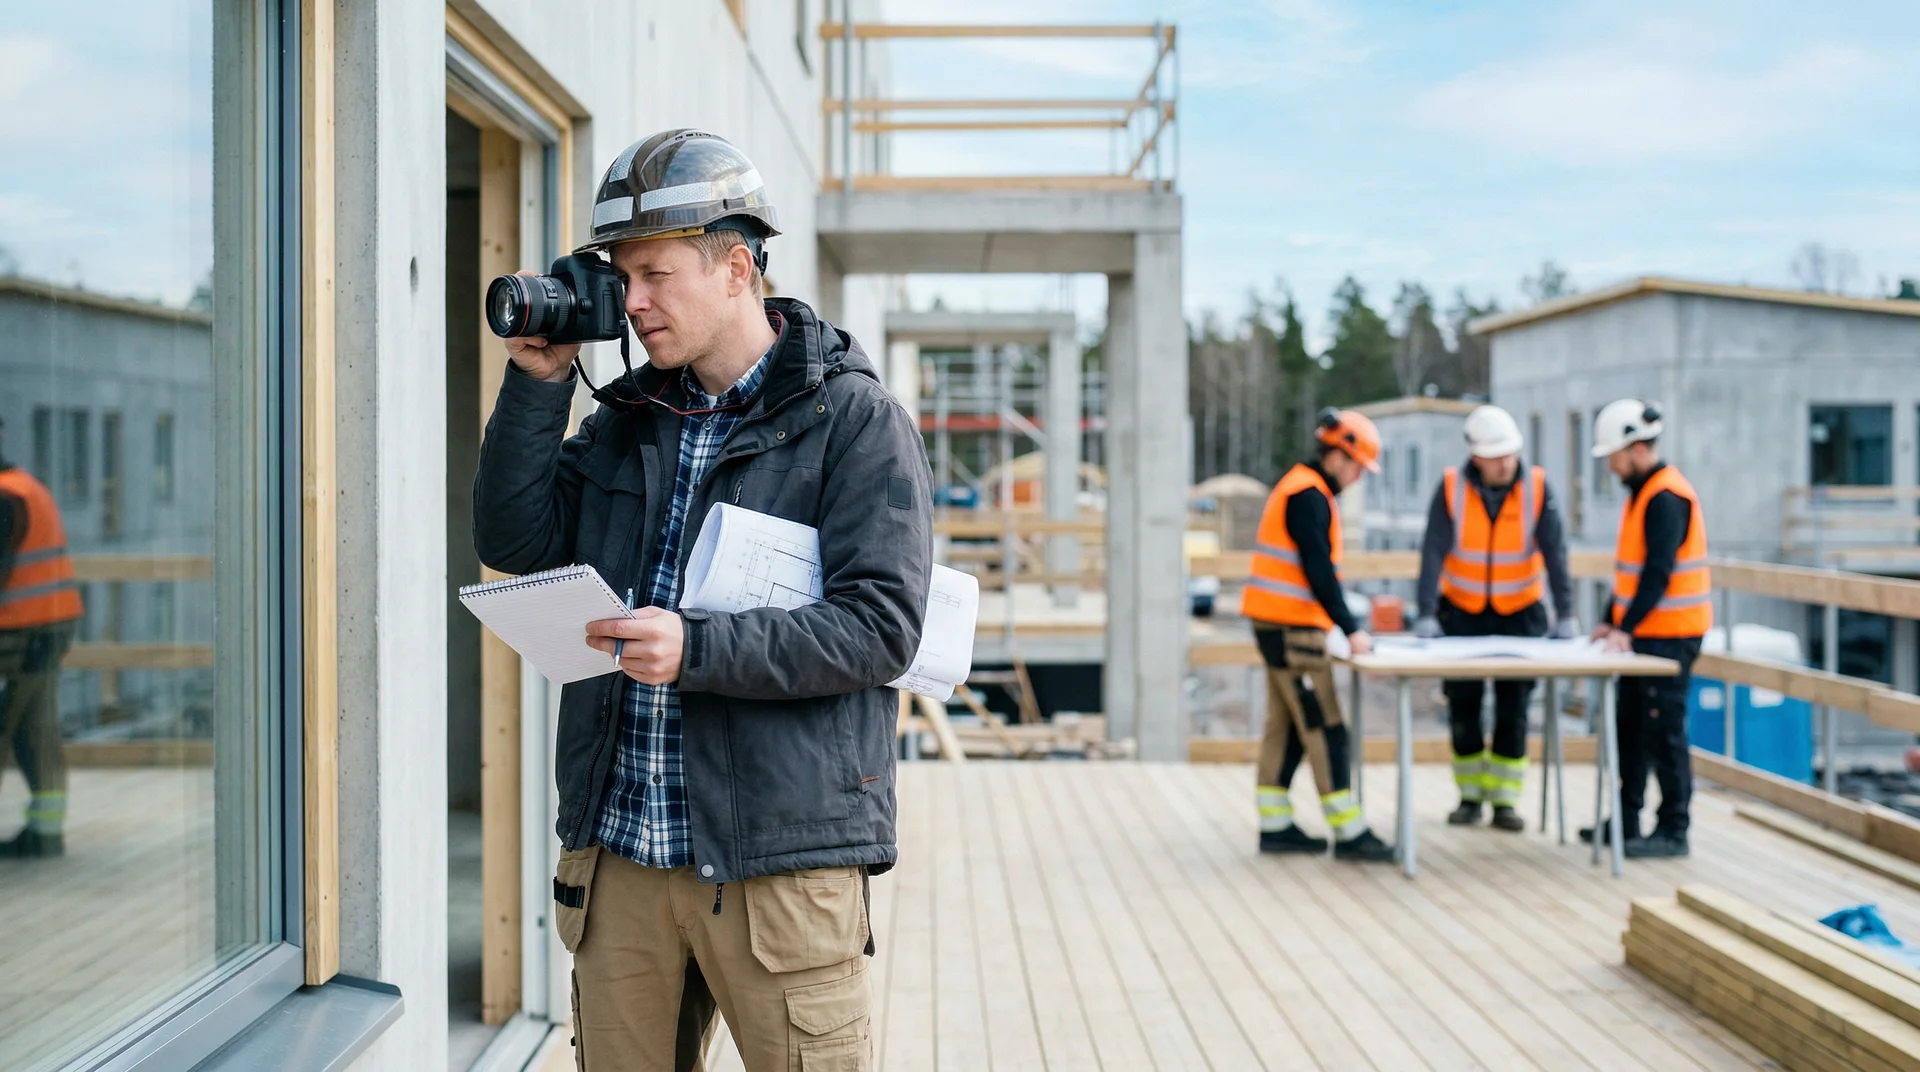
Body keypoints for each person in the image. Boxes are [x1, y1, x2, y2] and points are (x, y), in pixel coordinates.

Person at [473, 130, 932, 1071]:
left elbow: (881, 627)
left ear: (736, 268)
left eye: (654, 275)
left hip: (778, 866)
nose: (632, 304)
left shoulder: (853, 420)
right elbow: (513, 539)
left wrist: (698, 649)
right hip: (623, 853)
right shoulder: (631, 415)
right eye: (621, 278)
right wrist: (538, 382)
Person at [1413, 405, 1576, 832]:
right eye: (1497, 456)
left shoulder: (1537, 487)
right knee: (1464, 706)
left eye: (1511, 454)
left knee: (1514, 707)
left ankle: (1504, 801)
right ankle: (1469, 797)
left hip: (1520, 612)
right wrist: (1427, 613)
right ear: (1476, 457)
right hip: (1461, 612)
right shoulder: (1451, 488)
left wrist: (1567, 614)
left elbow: (1556, 555)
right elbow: (1432, 552)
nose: (1506, 463)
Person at [1242, 408, 1395, 863]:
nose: (1357, 478)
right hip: (1293, 630)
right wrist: (1351, 628)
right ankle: (1350, 833)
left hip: (1276, 625)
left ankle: (1276, 826)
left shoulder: (1297, 487)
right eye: (1357, 468)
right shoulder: (1308, 495)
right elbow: (1319, 570)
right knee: (1326, 726)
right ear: (1337, 456)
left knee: (1285, 725)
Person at [1581, 399, 1710, 859]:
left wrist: (1625, 628)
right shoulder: (1642, 494)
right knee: (1630, 728)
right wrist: (1610, 621)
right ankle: (1627, 819)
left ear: (1636, 448)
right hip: (1645, 636)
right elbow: (1630, 575)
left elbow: (1658, 573)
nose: (1611, 467)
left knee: (1664, 732)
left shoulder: (1666, 497)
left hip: (1671, 637)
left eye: (1613, 457)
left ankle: (1673, 828)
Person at [0, 414, 85, 858]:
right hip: (47, 629)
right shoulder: (26, 487)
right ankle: (45, 833)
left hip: (16, 637)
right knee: (36, 731)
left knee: (15, 729)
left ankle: (44, 834)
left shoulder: (6, 496)